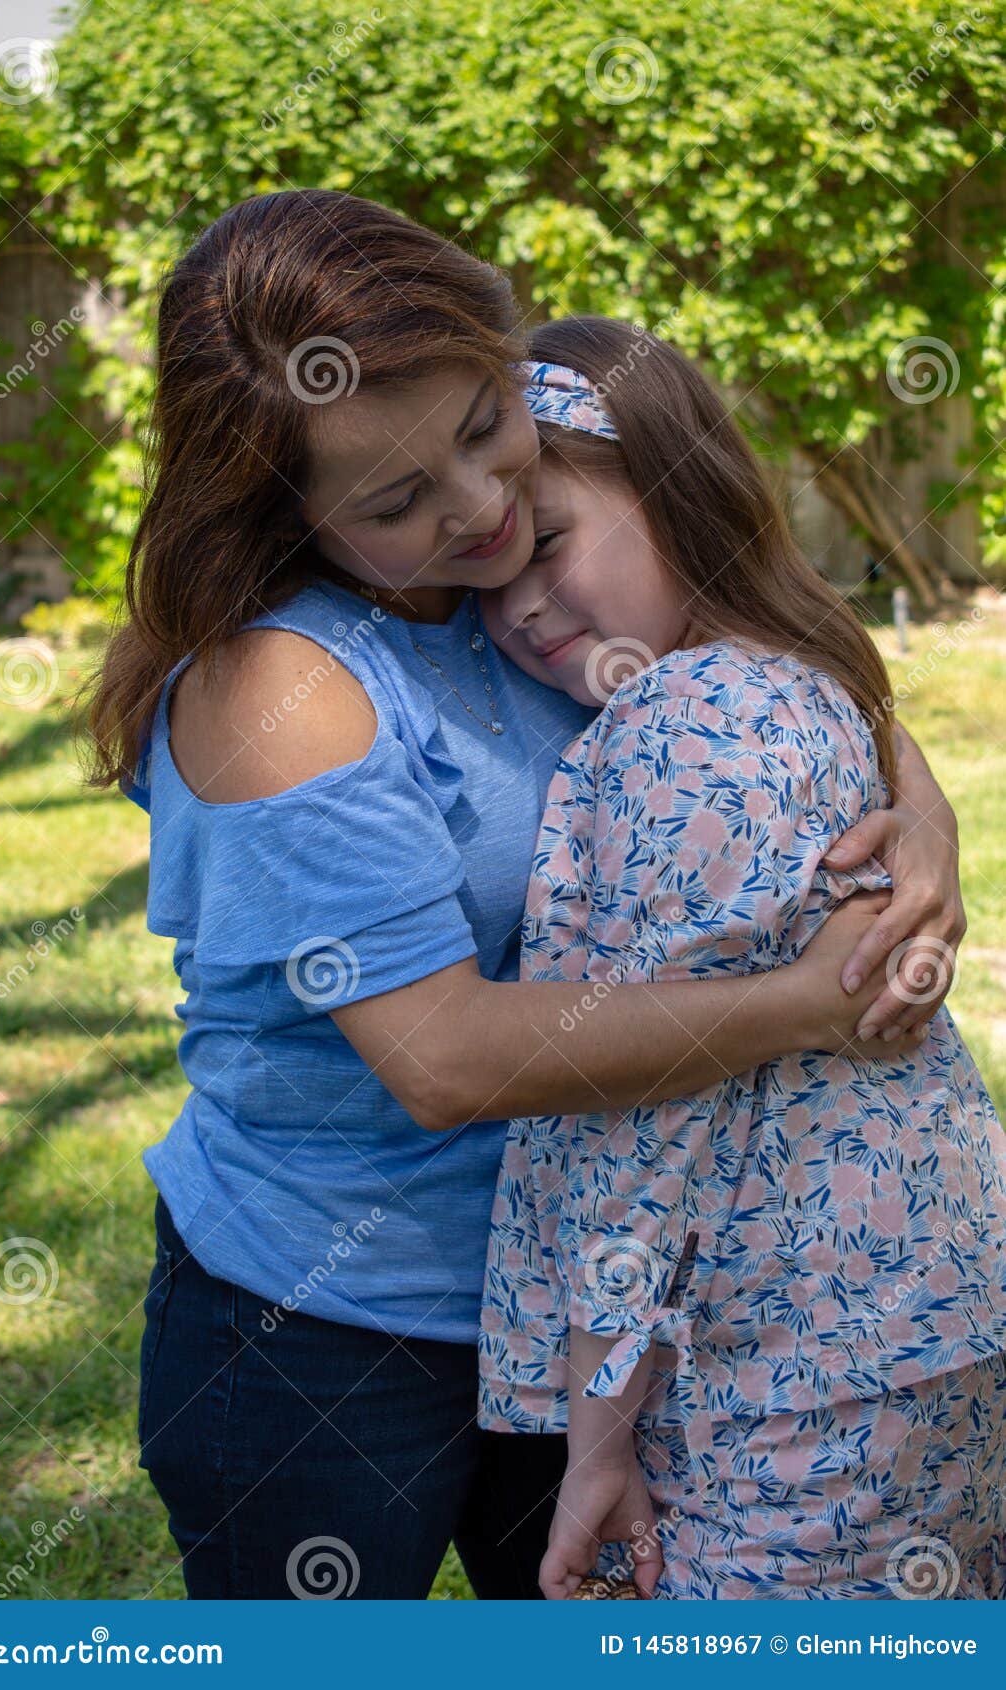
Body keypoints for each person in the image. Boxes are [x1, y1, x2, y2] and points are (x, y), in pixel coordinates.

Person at [84, 191, 966, 1599]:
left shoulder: (532, 580)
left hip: (579, 1295)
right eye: (394, 500)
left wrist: (920, 818)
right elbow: (440, 1057)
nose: (481, 509)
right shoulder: (290, 688)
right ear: (288, 509)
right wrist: (799, 1003)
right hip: (326, 1316)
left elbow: (756, 642)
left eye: (484, 429)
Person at [476, 319, 1006, 1600]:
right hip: (911, 1328)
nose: (522, 604)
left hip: (778, 1376)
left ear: (676, 488)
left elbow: (647, 1107)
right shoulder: (803, 678)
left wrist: (595, 1435)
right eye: (480, 587)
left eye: (545, 543)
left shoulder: (684, 718)